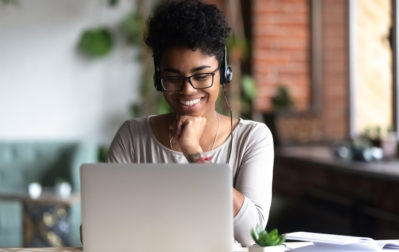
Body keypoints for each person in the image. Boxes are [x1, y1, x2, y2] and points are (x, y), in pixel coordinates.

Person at [107, 0, 274, 246]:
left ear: (224, 74)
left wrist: (195, 154)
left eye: (202, 76)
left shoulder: (252, 138)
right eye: (173, 78)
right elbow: (100, 227)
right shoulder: (133, 136)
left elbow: (253, 234)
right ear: (158, 78)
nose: (187, 90)